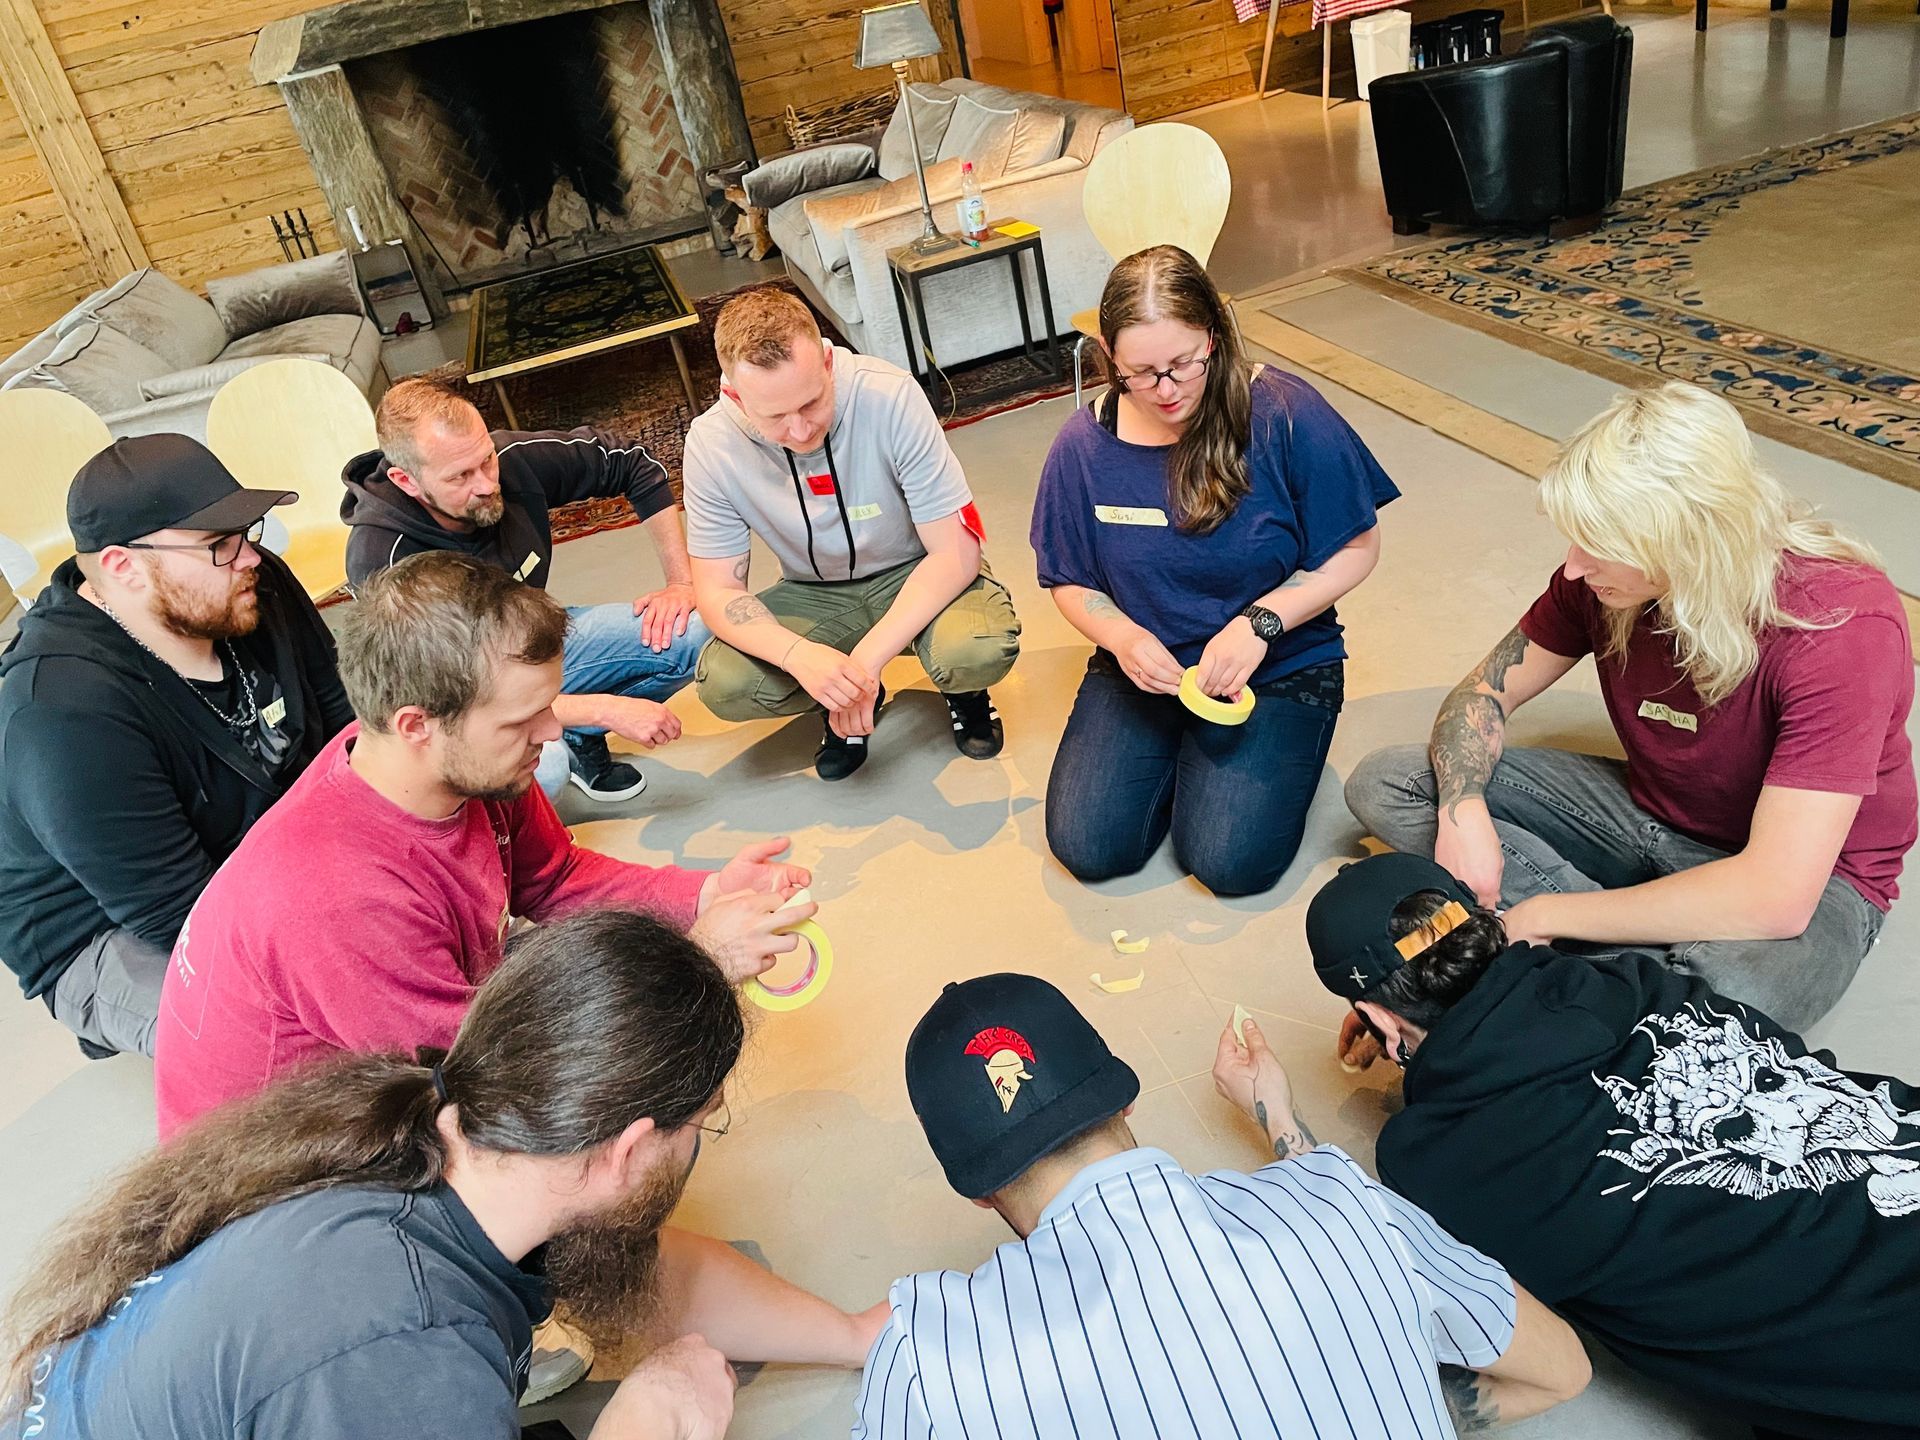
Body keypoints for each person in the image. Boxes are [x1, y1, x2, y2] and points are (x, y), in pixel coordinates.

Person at [2, 909, 886, 1439]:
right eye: (703, 1125)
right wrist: (647, 1421)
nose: (704, 1142)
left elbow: (651, 1268)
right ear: (627, 1150)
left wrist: (852, 1334)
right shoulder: (413, 1358)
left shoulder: (438, 1126)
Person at [153, 551, 813, 1139]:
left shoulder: (466, 766)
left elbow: (553, 880)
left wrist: (704, 893)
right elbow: (481, 1077)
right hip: (293, 1163)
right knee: (648, 1117)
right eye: (525, 719)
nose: (552, 733)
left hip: (409, 1058)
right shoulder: (338, 896)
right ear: (418, 724)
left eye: (550, 706)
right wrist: (700, 962)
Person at [1346, 382, 1914, 1031]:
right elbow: (1483, 693)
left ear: (1690, 540)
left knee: (1738, 993)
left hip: (1812, 876)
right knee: (1391, 782)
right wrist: (1462, 811)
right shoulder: (1600, 583)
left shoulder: (1839, 628)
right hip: (1650, 815)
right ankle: (1617, 969)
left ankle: (1550, 953)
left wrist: (1543, 915)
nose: (1572, 567)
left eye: (1599, 543)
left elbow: (1777, 897)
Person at [1305, 851, 1920, 1440]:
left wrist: (1407, 1048)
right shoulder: (1636, 981)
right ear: (1485, 925)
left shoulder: (1436, 1155)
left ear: (1377, 1019)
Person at [855, 971, 1589, 1438]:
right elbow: (1562, 1370)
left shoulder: (932, 1364)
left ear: (977, 1191)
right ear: (1127, 1096)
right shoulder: (1348, 1207)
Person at [1031, 246, 1399, 897]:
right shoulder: (1084, 446)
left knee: (1228, 862)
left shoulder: (1285, 413)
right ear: (1110, 358)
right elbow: (1069, 579)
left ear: (1215, 336)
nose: (1167, 391)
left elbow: (1358, 546)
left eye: (1184, 365)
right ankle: (1181, 753)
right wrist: (1121, 638)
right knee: (1089, 846)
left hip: (1278, 662)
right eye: (1142, 373)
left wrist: (1261, 622)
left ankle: (1227, 760)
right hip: (1147, 668)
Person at [0, 436, 352, 1060]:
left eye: (246, 530)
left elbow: (348, 732)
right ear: (123, 566)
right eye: (218, 543)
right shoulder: (61, 711)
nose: (249, 556)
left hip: (259, 841)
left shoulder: (253, 585)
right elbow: (181, 916)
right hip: (110, 929)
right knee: (288, 1041)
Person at [683, 287, 1021, 781]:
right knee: (724, 683)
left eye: (812, 402)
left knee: (975, 649)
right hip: (813, 593)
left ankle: (962, 691)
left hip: (915, 568)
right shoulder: (711, 444)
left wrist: (863, 662)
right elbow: (717, 590)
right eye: (775, 417)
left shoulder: (890, 394)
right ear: (735, 395)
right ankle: (835, 695)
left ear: (825, 361)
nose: (800, 431)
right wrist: (802, 658)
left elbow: (955, 552)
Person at [342, 377, 707, 803]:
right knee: (545, 771)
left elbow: (634, 463)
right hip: (465, 704)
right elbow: (460, 705)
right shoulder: (383, 562)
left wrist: (680, 583)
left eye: (486, 461)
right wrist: (604, 708)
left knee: (695, 632)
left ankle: (579, 738)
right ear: (407, 481)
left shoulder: (511, 463)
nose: (485, 484)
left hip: (535, 646)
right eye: (460, 476)